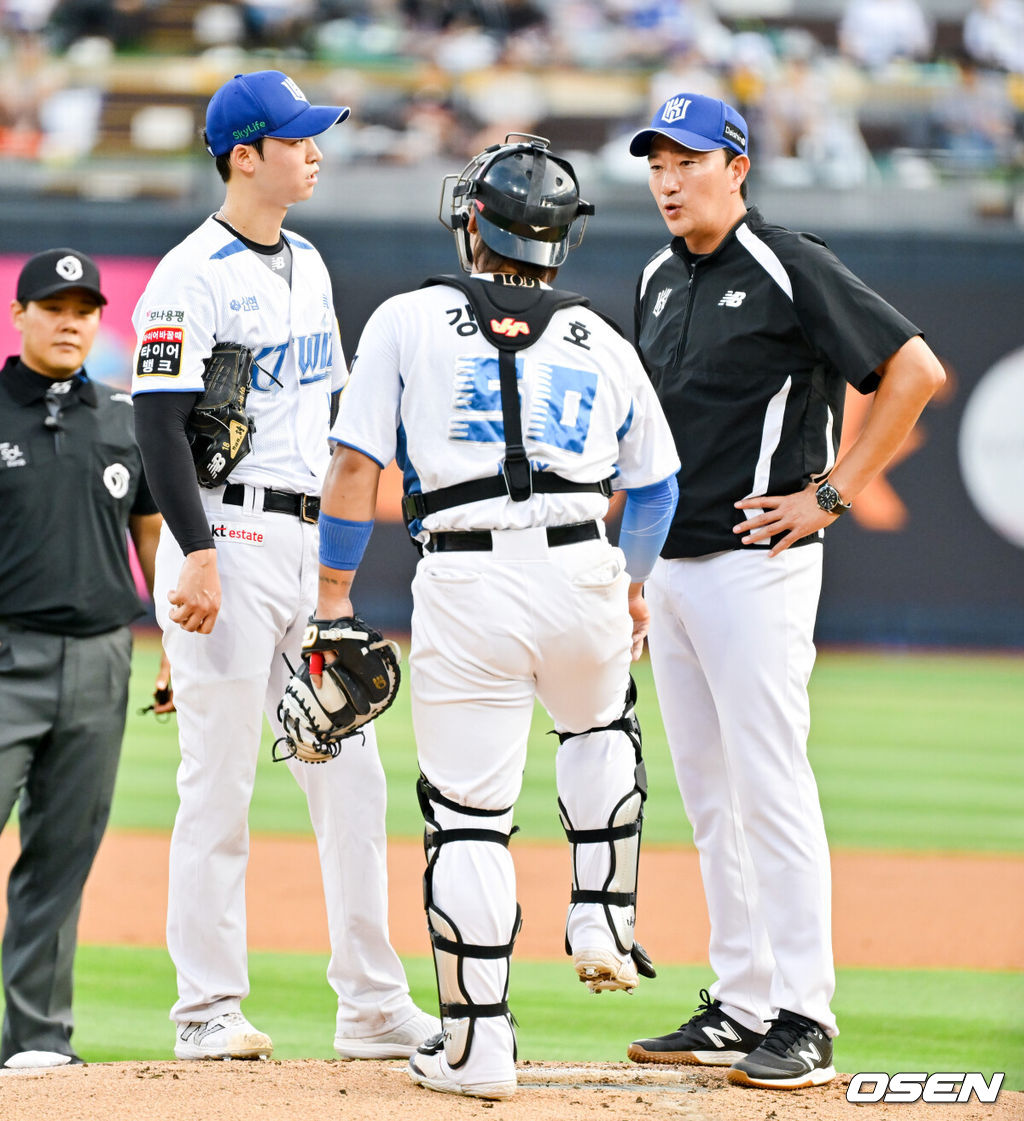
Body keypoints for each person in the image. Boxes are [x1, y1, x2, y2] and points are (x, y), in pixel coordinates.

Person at [308, 135, 681, 1100]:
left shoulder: (405, 318)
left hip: (469, 579)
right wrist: (632, 581)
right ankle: (604, 913)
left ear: (475, 221)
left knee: (468, 820)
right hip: (584, 563)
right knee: (600, 725)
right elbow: (657, 488)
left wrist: (334, 600)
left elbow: (355, 470)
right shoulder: (605, 339)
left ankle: (478, 1048)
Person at [624, 93, 946, 1090]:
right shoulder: (653, 277)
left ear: (737, 164)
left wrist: (833, 492)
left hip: (753, 567)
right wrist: (631, 570)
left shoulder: (785, 262)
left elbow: (914, 369)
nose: (668, 179)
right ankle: (741, 996)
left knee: (769, 784)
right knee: (713, 797)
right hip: (673, 566)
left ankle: (805, 1009)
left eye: (687, 160)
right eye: (655, 163)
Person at [129, 70, 438, 1062]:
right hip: (228, 534)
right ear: (243, 154)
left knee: (351, 775)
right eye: (297, 138)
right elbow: (159, 428)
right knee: (216, 782)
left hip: (307, 546)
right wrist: (201, 554)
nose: (315, 150)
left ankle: (372, 1003)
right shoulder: (191, 274)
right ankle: (207, 1007)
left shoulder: (307, 259)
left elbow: (339, 416)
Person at [0, 248, 162, 1070]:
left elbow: (152, 537)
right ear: (21, 314)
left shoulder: (122, 419)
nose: (70, 321)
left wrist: (178, 646)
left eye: (85, 309)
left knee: (61, 857)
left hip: (101, 658)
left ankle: (35, 1039)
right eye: (53, 307)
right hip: (5, 656)